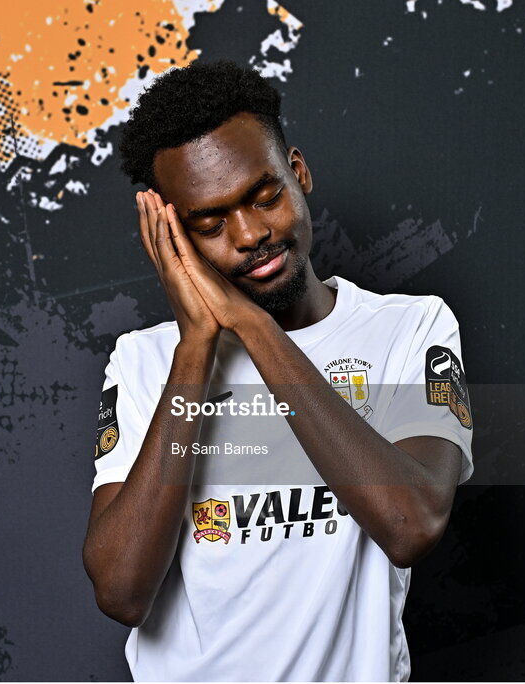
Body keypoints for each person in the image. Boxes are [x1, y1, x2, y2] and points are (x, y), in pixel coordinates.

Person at [82, 60, 474, 682]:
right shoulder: (144, 362)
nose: (250, 234)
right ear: (170, 237)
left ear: (298, 172)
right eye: (209, 224)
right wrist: (196, 350)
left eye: (265, 197)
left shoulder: (410, 329)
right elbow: (123, 590)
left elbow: (411, 523)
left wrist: (256, 328)